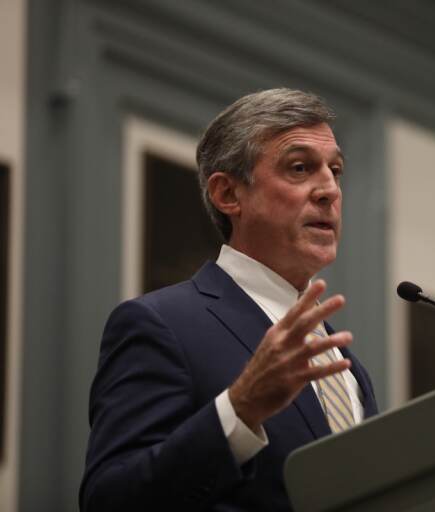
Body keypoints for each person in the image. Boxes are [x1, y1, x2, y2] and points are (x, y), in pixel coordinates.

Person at [81, 89, 377, 511]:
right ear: (228, 195)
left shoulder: (348, 366)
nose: (329, 190)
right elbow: (110, 501)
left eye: (336, 170)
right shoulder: (160, 325)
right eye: (300, 168)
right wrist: (239, 410)